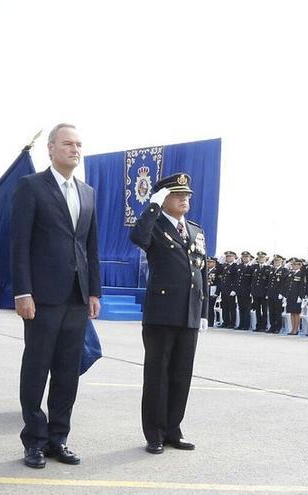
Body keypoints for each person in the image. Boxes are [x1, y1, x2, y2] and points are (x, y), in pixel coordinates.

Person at [11, 123, 101, 469]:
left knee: (67, 371)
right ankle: (33, 440)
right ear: (50, 148)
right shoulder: (31, 187)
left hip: (77, 298)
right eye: (67, 143)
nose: (74, 149)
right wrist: (23, 291)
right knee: (36, 368)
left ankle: (58, 438)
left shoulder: (87, 192)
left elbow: (91, 246)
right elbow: (19, 243)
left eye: (79, 144)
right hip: (43, 297)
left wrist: (94, 290)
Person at [129, 173, 208, 455]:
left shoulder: (197, 230)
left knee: (181, 375)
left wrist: (204, 311)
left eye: (187, 195)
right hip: (161, 314)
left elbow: (202, 271)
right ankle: (154, 434)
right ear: (164, 199)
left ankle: (174, 429)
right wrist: (153, 206)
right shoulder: (155, 225)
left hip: (189, 312)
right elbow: (137, 236)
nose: (184, 199)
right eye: (177, 195)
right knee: (157, 375)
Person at [266, 255, 288, 334]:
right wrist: (267, 293)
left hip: (278, 294)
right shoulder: (271, 270)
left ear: (281, 262)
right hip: (271, 293)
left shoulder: (284, 270)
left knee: (278, 312)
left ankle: (278, 327)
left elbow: (284, 283)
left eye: (278, 261)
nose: (276, 263)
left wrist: (282, 293)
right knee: (271, 311)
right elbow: (269, 282)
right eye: (275, 261)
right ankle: (272, 326)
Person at [284, 258, 307, 335]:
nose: (293, 266)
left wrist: (300, 296)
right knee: (291, 312)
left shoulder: (301, 274)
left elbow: (302, 286)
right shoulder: (291, 273)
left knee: (296, 313)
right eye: (293, 264)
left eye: (295, 264)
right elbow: (287, 285)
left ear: (299, 265)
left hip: (296, 296)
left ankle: (296, 329)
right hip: (290, 296)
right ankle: (292, 329)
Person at [250, 251, 271, 331]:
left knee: (264, 310)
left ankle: (264, 326)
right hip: (256, 292)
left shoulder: (268, 268)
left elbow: (269, 282)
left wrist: (267, 293)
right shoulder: (254, 267)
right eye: (259, 258)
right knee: (257, 310)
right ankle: (258, 326)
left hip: (264, 293)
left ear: (265, 259)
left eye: (262, 258)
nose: (261, 259)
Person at [234, 251, 254, 330]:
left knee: (247, 309)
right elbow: (237, 279)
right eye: (244, 257)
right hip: (240, 291)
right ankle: (241, 324)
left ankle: (246, 325)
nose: (245, 258)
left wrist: (251, 291)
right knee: (241, 308)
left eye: (247, 257)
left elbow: (253, 281)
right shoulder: (239, 267)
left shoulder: (252, 268)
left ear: (250, 258)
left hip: (247, 291)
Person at [218, 251, 237, 328]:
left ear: (234, 257)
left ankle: (232, 323)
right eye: (227, 257)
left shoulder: (236, 267)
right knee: (224, 306)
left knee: (231, 307)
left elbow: (236, 279)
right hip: (224, 289)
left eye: (230, 257)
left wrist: (234, 290)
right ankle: (225, 322)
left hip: (231, 290)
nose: (228, 258)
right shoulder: (224, 266)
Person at [205, 257, 219, 327]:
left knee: (210, 307)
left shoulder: (216, 271)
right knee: (205, 306)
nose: (208, 263)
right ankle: (205, 320)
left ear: (214, 263)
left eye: (210, 262)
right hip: (206, 290)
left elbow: (218, 282)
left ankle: (210, 322)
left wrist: (217, 292)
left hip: (212, 290)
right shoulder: (205, 270)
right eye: (207, 262)